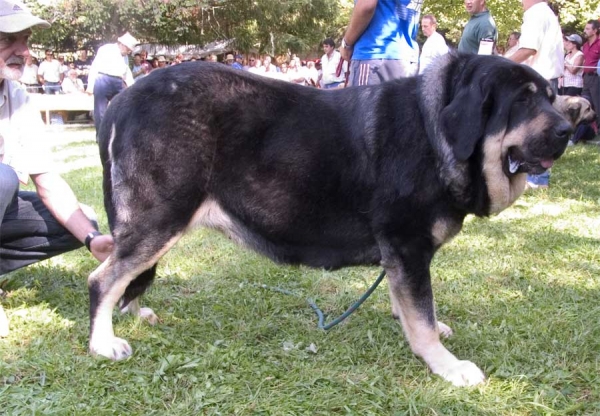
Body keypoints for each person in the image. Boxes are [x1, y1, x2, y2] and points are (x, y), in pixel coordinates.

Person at [0, 0, 114, 337]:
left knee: (83, 219)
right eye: (8, 40)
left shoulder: (16, 97)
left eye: (26, 40)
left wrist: (92, 239)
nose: (23, 51)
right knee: (3, 178)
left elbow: (46, 179)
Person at [510, 0, 564, 189]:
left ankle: (538, 179)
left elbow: (528, 49)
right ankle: (536, 176)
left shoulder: (536, 14)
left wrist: (502, 65)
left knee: (539, 131)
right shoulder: (545, 13)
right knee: (544, 131)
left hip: (539, 81)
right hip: (546, 80)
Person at [340, 0, 422, 86]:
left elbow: (366, 6)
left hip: (373, 53)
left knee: (364, 99)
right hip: (408, 61)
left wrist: (346, 44)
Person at [86, 32, 137, 135]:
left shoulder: (125, 57)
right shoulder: (106, 49)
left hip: (118, 82)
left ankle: (121, 133)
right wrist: (90, 85)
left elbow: (126, 72)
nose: (128, 52)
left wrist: (133, 88)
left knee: (124, 107)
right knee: (100, 111)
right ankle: (101, 135)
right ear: (122, 45)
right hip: (103, 80)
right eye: (128, 49)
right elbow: (95, 66)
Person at [581, 20, 600, 133]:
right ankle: (588, 131)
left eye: (588, 29)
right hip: (586, 77)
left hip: (596, 78)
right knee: (585, 103)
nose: (585, 31)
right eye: (585, 28)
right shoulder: (585, 45)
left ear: (595, 30)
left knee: (598, 104)